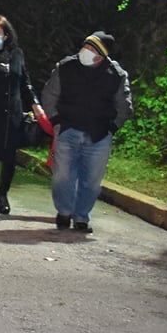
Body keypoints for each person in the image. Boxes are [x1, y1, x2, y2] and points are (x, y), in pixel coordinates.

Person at [38, 31, 133, 234]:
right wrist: (56, 122)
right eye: (85, 46)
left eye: (92, 49)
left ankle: (81, 216)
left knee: (91, 181)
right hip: (67, 130)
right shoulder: (66, 67)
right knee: (62, 176)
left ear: (102, 55)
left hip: (99, 135)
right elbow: (49, 94)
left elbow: (124, 106)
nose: (86, 51)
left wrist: (112, 127)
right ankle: (64, 212)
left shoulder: (116, 75)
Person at [0, 15, 42, 219]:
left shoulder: (16, 54)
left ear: (6, 35)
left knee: (9, 159)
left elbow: (24, 81)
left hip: (12, 114)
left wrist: (35, 104)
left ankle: (3, 194)